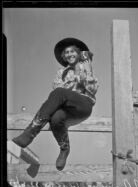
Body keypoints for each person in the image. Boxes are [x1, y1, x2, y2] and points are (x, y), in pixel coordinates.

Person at [12, 38, 99, 171]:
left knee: (60, 93)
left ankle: (29, 134)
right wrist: (72, 82)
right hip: (67, 108)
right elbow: (57, 90)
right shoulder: (61, 72)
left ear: (78, 53)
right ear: (64, 56)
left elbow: (92, 89)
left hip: (84, 105)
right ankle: (64, 148)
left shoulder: (85, 67)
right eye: (66, 52)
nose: (69, 54)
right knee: (56, 118)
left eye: (72, 51)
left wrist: (85, 72)